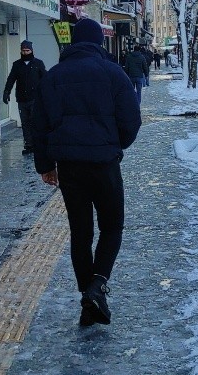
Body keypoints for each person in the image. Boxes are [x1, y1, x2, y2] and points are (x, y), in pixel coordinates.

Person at [31, 18, 142, 326]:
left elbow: (38, 126)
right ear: (99, 42)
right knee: (112, 227)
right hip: (105, 164)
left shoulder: (53, 77)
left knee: (81, 232)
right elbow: (131, 119)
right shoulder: (113, 73)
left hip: (69, 167)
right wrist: (115, 144)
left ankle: (87, 299)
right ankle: (97, 286)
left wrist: (45, 165)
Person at [2, 40, 48, 155]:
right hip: (22, 98)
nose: (25, 53)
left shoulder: (38, 64)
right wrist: (7, 92)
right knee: (25, 122)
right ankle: (28, 144)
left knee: (35, 122)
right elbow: (11, 79)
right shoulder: (17, 65)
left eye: (27, 50)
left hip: (35, 98)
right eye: (23, 51)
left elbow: (45, 79)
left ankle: (37, 144)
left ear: (31, 51)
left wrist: (46, 94)